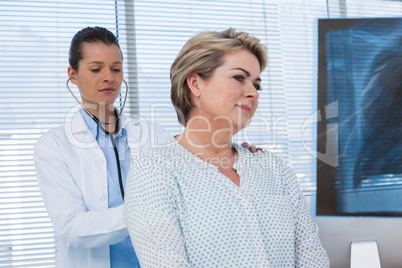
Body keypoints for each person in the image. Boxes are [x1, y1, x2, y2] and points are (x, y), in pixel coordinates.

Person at [123, 28, 330, 267]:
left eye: (257, 85)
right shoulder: (153, 172)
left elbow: (311, 254)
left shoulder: (275, 169)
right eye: (239, 78)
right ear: (195, 84)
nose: (253, 93)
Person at [34, 26, 171, 268]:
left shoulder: (153, 134)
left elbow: (196, 170)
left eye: (116, 68)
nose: (109, 77)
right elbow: (70, 228)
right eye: (96, 69)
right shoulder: (53, 145)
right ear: (72, 75)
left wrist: (240, 152)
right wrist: (141, 213)